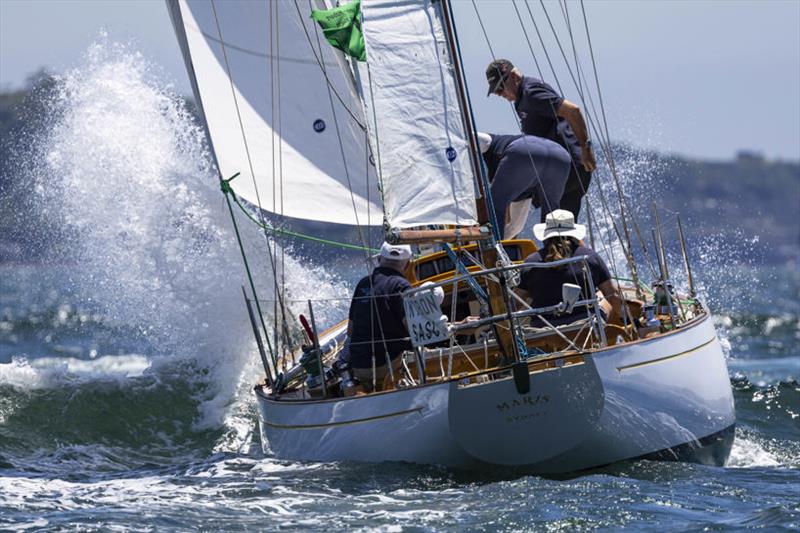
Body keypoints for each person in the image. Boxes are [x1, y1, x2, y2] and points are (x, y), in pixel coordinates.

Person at [486, 59, 596, 220]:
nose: (500, 94)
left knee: (554, 231)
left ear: (514, 76)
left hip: (568, 169)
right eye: (496, 92)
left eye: (500, 88)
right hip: (561, 168)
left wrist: (586, 150)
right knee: (561, 231)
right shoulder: (522, 98)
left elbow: (572, 110)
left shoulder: (531, 93)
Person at [517, 210, 622, 326]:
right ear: (573, 233)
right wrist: (630, 319)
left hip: (543, 330)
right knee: (602, 296)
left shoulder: (531, 261)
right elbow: (612, 294)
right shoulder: (589, 257)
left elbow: (516, 301)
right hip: (585, 328)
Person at [345, 242, 413, 392]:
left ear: (379, 259)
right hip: (388, 364)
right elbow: (414, 329)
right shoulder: (401, 286)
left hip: (359, 366)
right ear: (408, 265)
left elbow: (351, 330)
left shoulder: (362, 284)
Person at [477, 132, 570, 239]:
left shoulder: (487, 141)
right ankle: (557, 250)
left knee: (494, 206)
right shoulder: (519, 186)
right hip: (561, 155)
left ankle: (495, 251)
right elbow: (513, 225)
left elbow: (466, 136)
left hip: (523, 152)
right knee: (551, 213)